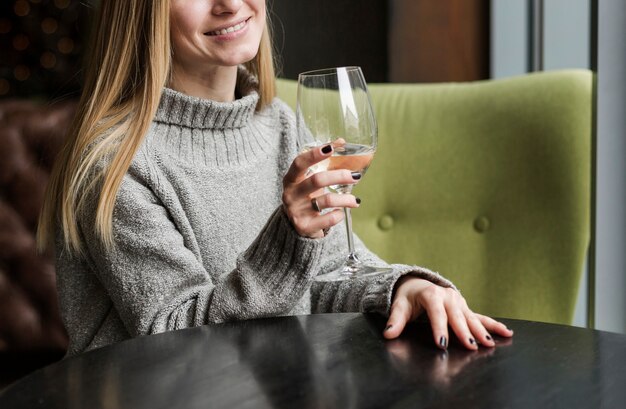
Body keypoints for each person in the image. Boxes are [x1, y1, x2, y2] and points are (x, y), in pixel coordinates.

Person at [38, 0, 513, 357]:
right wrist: (287, 239)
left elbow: (321, 275)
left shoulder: (279, 123)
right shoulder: (116, 164)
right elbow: (179, 342)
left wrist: (401, 287)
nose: (228, 3)